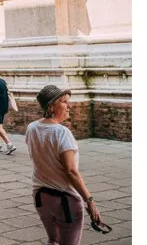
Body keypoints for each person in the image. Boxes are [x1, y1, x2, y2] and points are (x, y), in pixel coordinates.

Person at [26, 85, 105, 245]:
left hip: (41, 197)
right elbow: (71, 171)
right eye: (64, 102)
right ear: (51, 107)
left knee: (53, 240)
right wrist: (90, 200)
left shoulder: (32, 127)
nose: (70, 106)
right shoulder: (61, 132)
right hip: (65, 200)